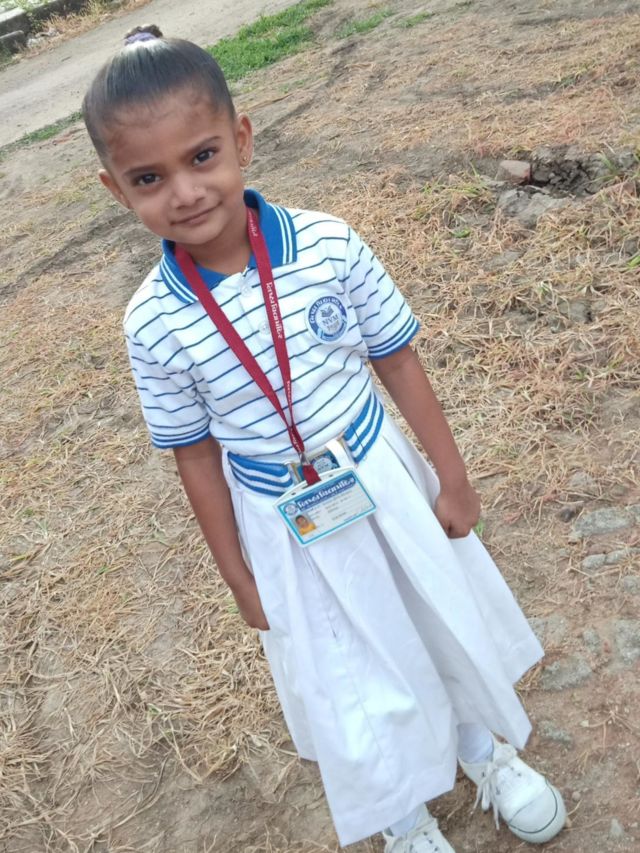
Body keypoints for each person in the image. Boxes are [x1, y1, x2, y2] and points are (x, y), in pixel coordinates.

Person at [82, 27, 567, 852]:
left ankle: (481, 749)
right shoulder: (152, 323)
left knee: (430, 616)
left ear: (241, 139)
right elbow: (194, 456)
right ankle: (400, 812)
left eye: (202, 156)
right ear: (115, 188)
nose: (185, 192)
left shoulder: (329, 244)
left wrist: (451, 476)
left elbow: (397, 358)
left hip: (381, 478)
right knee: (345, 667)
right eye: (149, 178)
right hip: (284, 520)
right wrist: (238, 573)